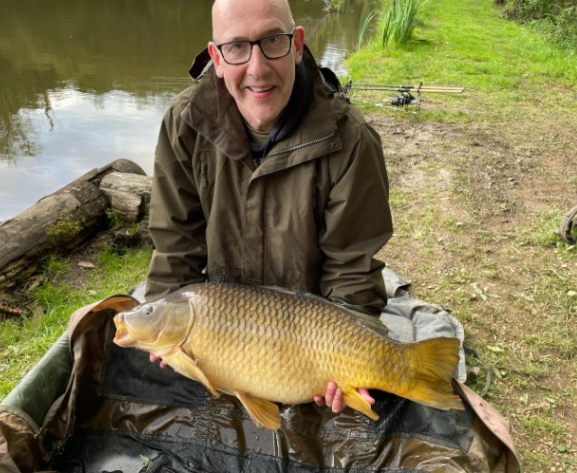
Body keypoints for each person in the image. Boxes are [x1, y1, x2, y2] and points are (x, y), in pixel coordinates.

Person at [145, 0, 393, 415]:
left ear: (297, 45)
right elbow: (175, 245)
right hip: (219, 327)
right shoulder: (184, 123)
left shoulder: (351, 141)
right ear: (216, 58)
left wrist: (346, 358)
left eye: (272, 42)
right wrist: (163, 323)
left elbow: (351, 270)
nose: (257, 68)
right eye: (237, 47)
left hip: (307, 340)